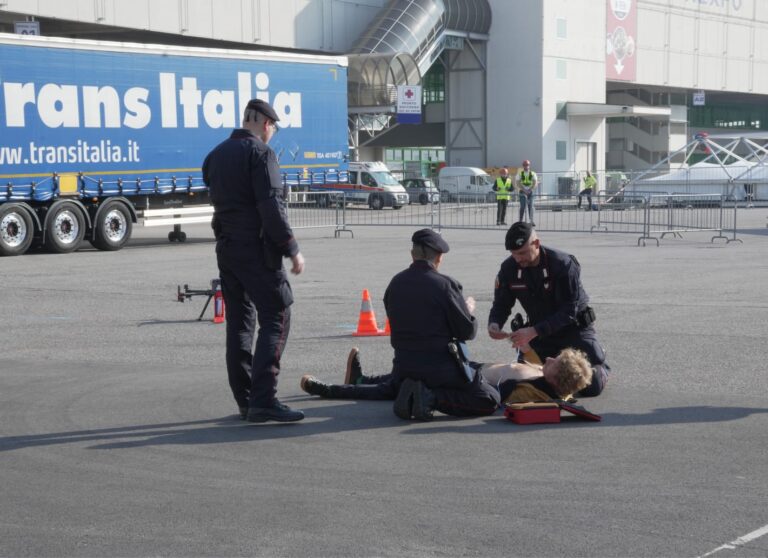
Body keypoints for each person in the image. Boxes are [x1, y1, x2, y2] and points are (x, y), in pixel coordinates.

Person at [202, 99, 306, 423]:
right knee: (277, 314)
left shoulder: (215, 155)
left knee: (240, 324)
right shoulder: (261, 154)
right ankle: (264, 399)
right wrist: (291, 248)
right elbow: (271, 208)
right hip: (257, 251)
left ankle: (246, 400)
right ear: (263, 122)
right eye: (272, 126)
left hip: (227, 250)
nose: (272, 132)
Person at [487, 222, 609, 397]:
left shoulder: (562, 264)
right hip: (540, 334)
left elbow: (569, 310)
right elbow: (501, 303)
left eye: (522, 253)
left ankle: (602, 368)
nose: (518, 259)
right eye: (513, 254)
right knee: (529, 379)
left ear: (536, 244)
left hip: (572, 330)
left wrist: (534, 331)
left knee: (591, 386)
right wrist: (495, 324)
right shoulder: (509, 268)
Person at [300, 346, 592, 406]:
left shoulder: (539, 391)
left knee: (393, 389)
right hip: (470, 369)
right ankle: (360, 380)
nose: (550, 358)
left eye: (557, 362)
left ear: (558, 378)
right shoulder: (543, 372)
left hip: (465, 381)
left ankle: (330, 390)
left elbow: (503, 402)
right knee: (400, 377)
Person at [515, 159, 538, 226]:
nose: (526, 166)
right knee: (522, 206)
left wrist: (530, 190)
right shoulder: (520, 174)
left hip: (530, 192)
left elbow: (535, 183)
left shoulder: (533, 173)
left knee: (530, 206)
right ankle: (520, 220)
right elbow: (518, 183)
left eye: (527, 165)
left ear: (529, 165)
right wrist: (524, 190)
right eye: (525, 165)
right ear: (523, 166)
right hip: (522, 191)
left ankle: (531, 221)